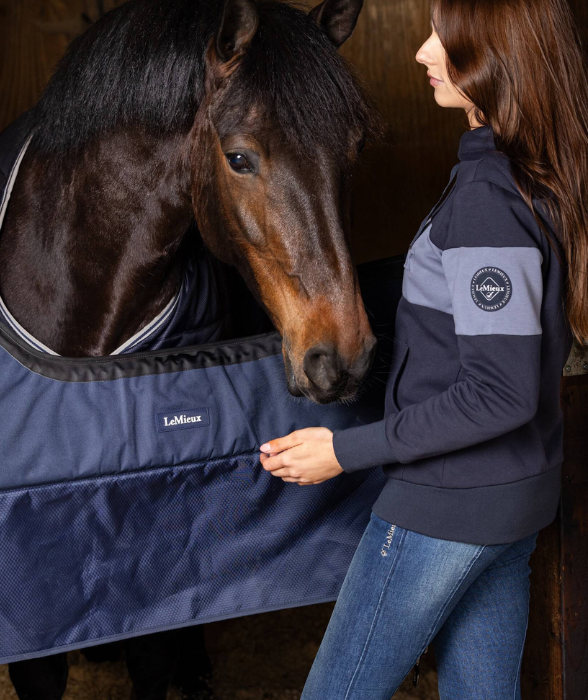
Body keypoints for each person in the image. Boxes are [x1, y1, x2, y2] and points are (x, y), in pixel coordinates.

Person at [259, 0, 588, 697]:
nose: (421, 53)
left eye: (443, 37)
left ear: (496, 56)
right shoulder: (529, 174)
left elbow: (500, 392)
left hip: (450, 503)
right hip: (516, 499)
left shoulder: (488, 202)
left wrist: (342, 451)